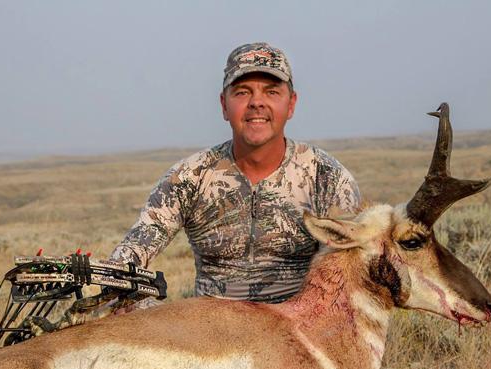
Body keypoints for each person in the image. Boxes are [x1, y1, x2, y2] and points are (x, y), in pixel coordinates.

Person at [110, 42, 361, 304]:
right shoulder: (189, 177)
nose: (257, 103)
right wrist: (136, 303)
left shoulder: (328, 178)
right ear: (223, 105)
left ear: (291, 104)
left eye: (272, 92)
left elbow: (351, 274)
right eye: (242, 93)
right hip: (207, 335)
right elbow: (129, 256)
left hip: (297, 334)